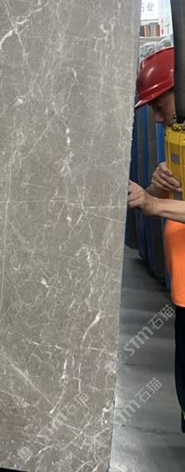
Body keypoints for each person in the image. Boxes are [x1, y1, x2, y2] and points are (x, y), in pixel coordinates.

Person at [127, 46, 185, 432]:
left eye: (160, 105)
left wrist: (153, 203)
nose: (158, 118)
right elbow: (160, 201)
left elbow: (157, 207)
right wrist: (155, 189)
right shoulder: (178, 139)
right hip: (182, 293)